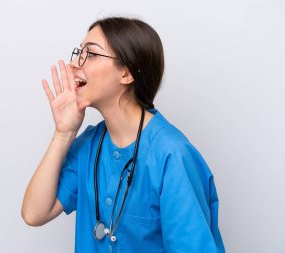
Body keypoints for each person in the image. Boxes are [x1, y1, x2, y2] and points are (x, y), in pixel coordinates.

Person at [21, 16, 226, 253]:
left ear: (127, 73)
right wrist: (63, 133)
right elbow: (34, 213)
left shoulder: (171, 154)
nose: (75, 63)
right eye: (79, 52)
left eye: (91, 54)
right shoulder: (89, 145)